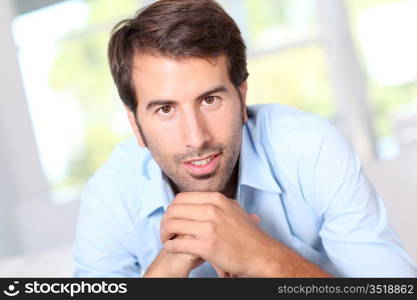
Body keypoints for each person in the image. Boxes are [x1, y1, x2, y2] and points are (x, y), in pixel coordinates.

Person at [73, 0, 417, 278]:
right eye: (165, 109)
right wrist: (169, 265)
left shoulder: (310, 149)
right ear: (135, 124)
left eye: (210, 100)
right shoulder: (110, 198)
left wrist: (260, 256)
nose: (196, 138)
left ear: (241, 97)